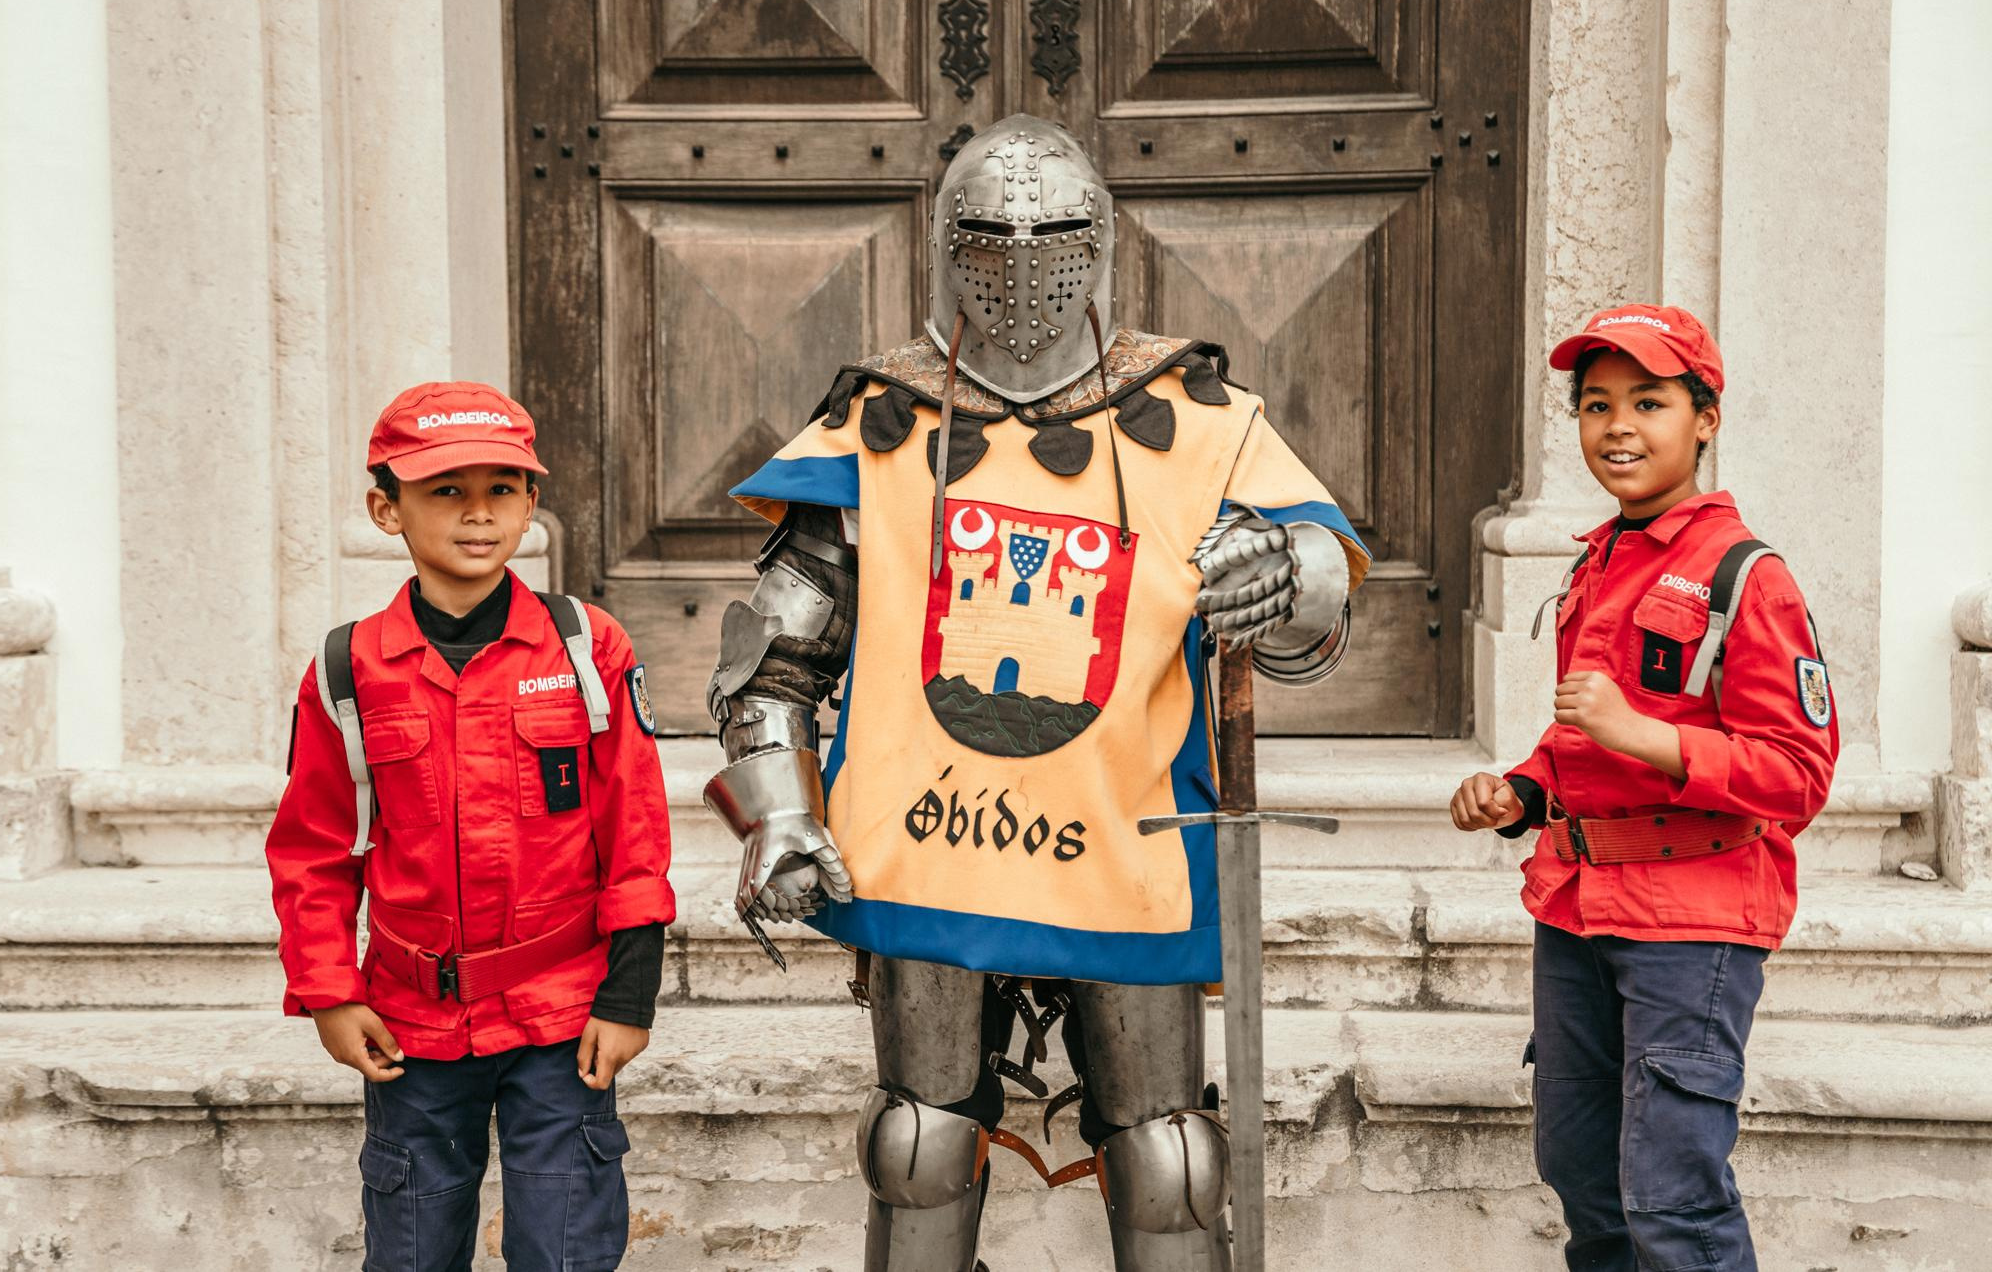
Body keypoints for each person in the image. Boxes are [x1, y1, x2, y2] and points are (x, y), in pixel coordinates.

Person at [700, 114, 1370, 1270]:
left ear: (1099, 239)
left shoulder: (1193, 416)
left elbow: (1318, 580)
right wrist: (782, 814)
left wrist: (1281, 566)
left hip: (1125, 834)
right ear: (943, 242)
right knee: (918, 1141)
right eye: (988, 235)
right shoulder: (880, 422)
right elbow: (775, 659)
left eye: (1053, 232)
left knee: (1166, 1155)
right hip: (927, 838)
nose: (1021, 262)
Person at [1450, 305, 1839, 1272]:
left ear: (1704, 418)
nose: (1618, 425)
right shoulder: (1603, 557)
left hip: (1691, 924)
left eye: (1649, 401)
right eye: (1595, 403)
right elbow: (1581, 739)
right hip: (1578, 911)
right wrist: (1523, 793)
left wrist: (1649, 736)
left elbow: (1798, 774)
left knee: (1674, 1200)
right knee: (1582, 1172)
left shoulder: (1748, 577)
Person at [267, 381, 674, 1272]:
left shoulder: (586, 648)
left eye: (502, 489)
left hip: (563, 1015)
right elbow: (312, 849)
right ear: (387, 509)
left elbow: (634, 826)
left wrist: (628, 992)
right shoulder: (349, 669)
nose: (479, 514)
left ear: (531, 503)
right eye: (446, 491)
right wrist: (332, 993)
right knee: (413, 1248)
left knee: (562, 1249)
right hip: (411, 1023)